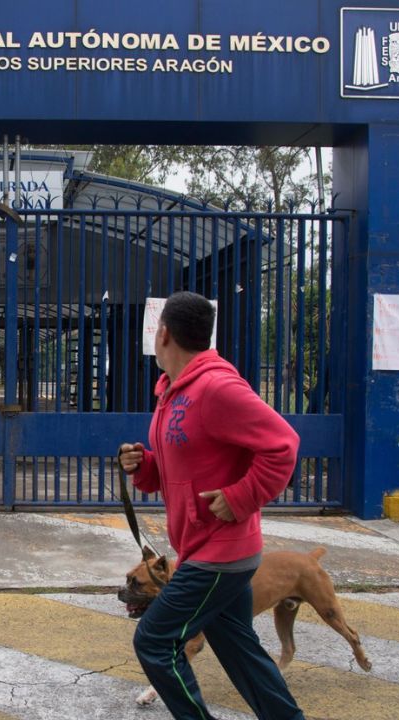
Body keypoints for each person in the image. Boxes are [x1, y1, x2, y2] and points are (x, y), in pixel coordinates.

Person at [117, 291, 306, 720]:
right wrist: (143, 466)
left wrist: (241, 496)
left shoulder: (217, 387)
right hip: (203, 548)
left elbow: (284, 445)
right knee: (239, 648)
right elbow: (185, 463)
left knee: (153, 639)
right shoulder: (172, 390)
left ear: (163, 332)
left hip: (221, 553)